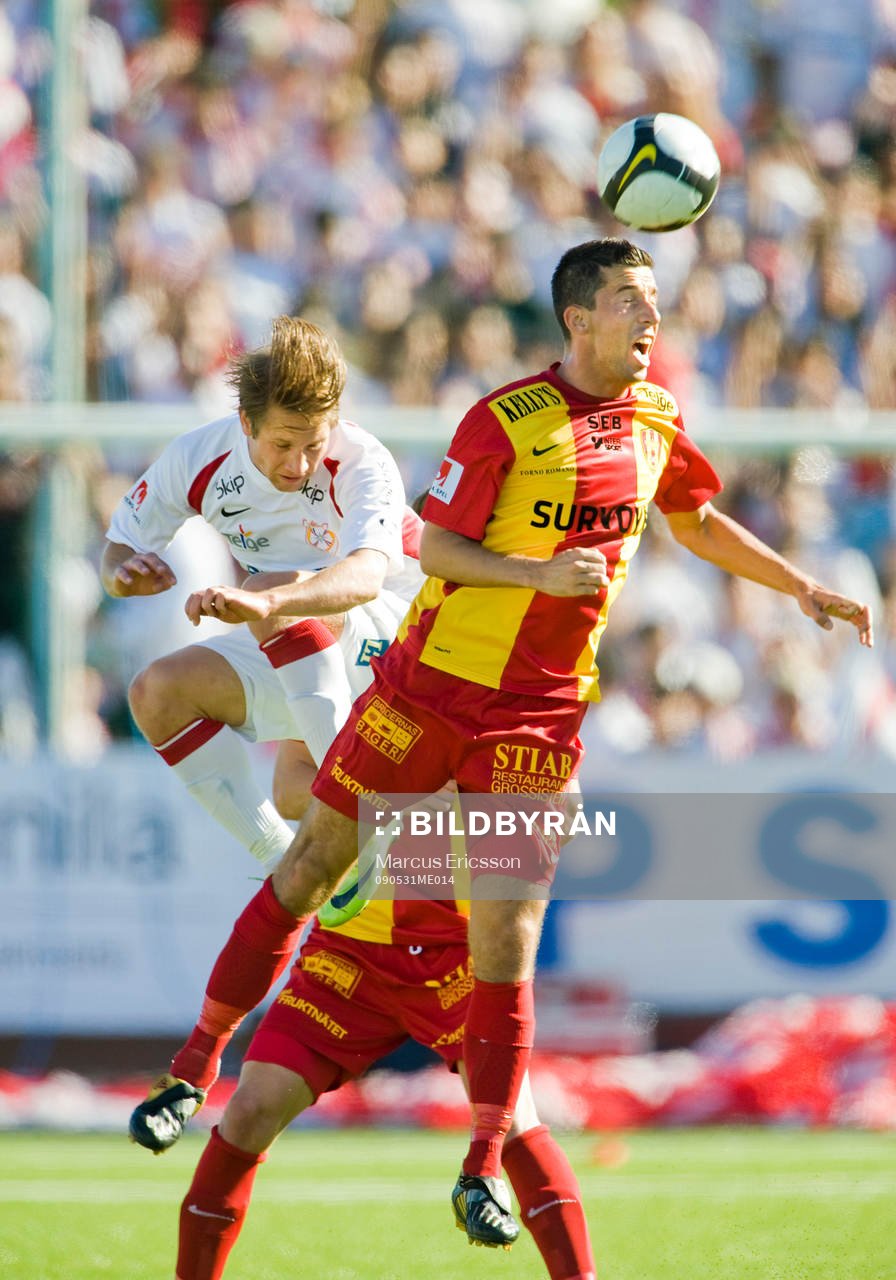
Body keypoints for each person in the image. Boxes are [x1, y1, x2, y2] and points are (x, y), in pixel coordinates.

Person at [131, 239, 873, 1250]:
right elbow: (428, 548)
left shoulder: (655, 420)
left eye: (652, 302)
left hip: (536, 718)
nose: (649, 320)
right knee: (303, 868)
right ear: (576, 318)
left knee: (505, 947)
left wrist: (799, 586)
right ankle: (193, 1063)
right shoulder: (505, 421)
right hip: (432, 694)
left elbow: (695, 521)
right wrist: (532, 577)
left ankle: (476, 1164)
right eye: (627, 302)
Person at [101, 316, 422, 870]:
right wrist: (123, 575)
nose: (298, 464)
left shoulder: (363, 459)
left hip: (405, 634)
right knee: (157, 694)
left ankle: (349, 819)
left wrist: (269, 601)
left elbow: (367, 577)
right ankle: (285, 865)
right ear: (246, 422)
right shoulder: (198, 458)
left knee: (269, 589)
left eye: (312, 444)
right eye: (281, 444)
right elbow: (116, 548)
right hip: (299, 641)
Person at [167, 886, 596, 1280]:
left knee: (514, 1124)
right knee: (248, 1111)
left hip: (462, 953)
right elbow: (292, 800)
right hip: (348, 955)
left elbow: (563, 810)